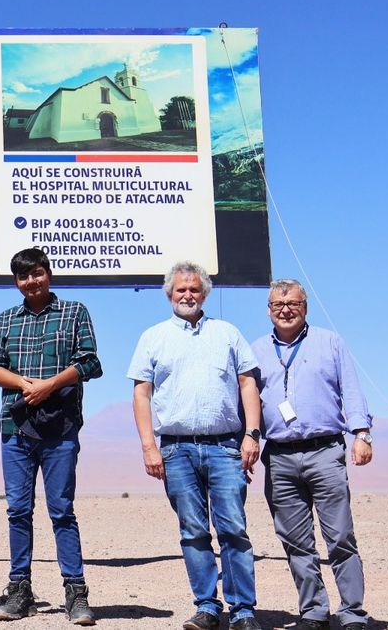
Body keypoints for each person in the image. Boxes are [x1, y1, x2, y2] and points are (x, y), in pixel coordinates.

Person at [127, 261, 263, 630]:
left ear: (204, 294)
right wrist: (148, 446)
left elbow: (248, 383)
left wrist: (252, 434)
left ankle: (243, 611)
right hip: (176, 449)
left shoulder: (227, 333)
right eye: (181, 289)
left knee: (233, 528)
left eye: (194, 289)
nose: (187, 295)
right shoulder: (153, 337)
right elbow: (141, 394)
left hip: (225, 446)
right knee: (193, 531)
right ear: (169, 294)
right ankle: (207, 607)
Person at [0, 247, 102, 624]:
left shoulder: (74, 312)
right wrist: (24, 385)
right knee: (18, 511)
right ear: (16, 281)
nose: (31, 281)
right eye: (23, 276)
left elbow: (90, 362)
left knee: (62, 510)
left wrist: (50, 385)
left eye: (37, 273)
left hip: (60, 427)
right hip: (15, 427)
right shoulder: (7, 319)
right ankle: (19, 590)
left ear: (48, 274)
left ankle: (76, 593)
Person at [250, 279, 372, 630]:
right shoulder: (256, 350)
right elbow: (247, 399)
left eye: (293, 303)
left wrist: (362, 433)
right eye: (278, 304)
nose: (286, 310)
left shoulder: (329, 342)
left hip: (325, 451)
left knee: (340, 537)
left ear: (305, 306)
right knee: (295, 541)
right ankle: (314, 612)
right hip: (279, 456)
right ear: (269, 311)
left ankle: (352, 613)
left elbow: (351, 389)